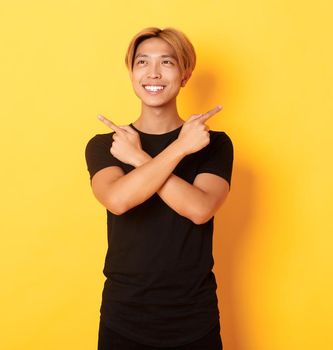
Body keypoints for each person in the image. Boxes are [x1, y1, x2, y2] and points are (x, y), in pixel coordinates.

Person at [85, 27, 232, 349]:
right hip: (124, 315)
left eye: (167, 62)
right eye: (142, 62)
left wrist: (140, 158)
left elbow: (200, 209)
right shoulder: (106, 145)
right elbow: (118, 200)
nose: (153, 73)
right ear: (131, 73)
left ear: (185, 74)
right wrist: (178, 149)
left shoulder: (213, 144)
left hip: (194, 314)